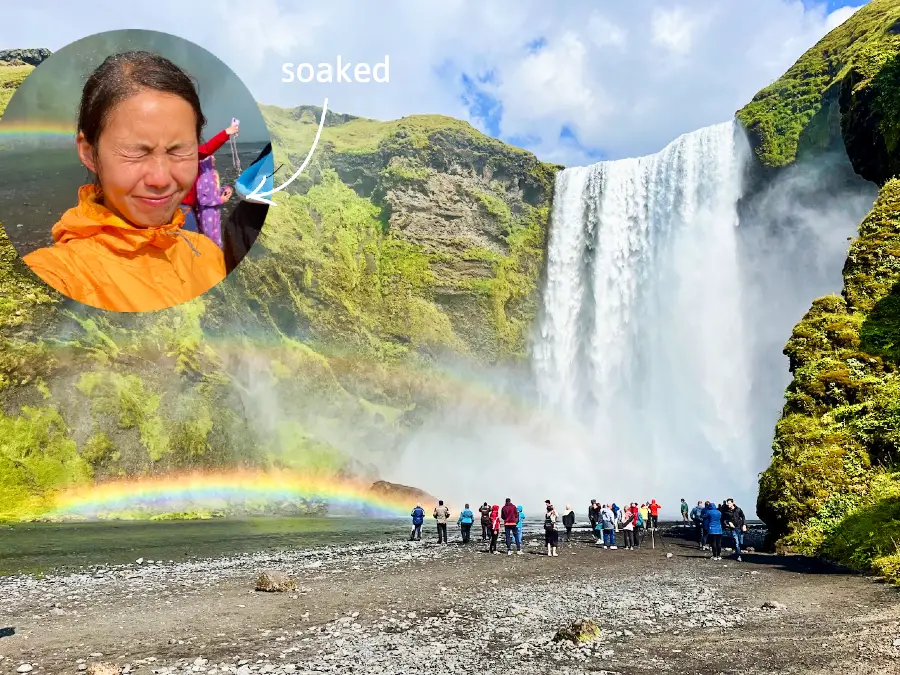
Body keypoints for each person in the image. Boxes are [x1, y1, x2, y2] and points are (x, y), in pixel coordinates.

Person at [22, 51, 226, 312]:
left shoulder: (207, 254)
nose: (161, 179)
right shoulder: (54, 276)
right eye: (136, 152)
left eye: (178, 150)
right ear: (88, 153)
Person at [192, 154, 233, 248]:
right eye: (211, 157)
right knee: (209, 239)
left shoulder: (211, 175)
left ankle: (217, 256)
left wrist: (226, 189)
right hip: (206, 214)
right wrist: (220, 200)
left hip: (215, 212)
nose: (214, 158)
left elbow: (213, 192)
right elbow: (202, 200)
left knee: (217, 238)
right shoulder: (203, 178)